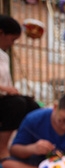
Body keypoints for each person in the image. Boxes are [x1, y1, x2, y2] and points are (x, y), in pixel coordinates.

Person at [0, 14, 40, 159]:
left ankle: (28, 149)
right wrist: (5, 89)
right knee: (16, 104)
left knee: (33, 107)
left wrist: (12, 91)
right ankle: (2, 148)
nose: (12, 44)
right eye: (12, 39)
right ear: (1, 33)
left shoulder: (4, 56)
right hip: (4, 100)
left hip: (4, 99)